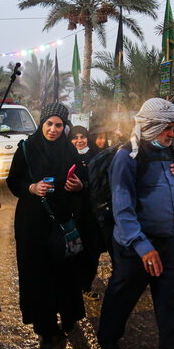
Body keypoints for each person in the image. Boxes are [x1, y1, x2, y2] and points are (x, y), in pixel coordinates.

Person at [98, 98, 174, 349]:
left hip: (167, 242)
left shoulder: (166, 151)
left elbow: (165, 189)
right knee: (122, 296)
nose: (172, 132)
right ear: (150, 125)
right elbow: (122, 208)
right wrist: (142, 246)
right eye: (166, 127)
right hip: (134, 245)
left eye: (173, 126)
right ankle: (108, 339)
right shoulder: (127, 157)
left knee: (171, 301)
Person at [6, 102, 86, 349]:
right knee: (37, 276)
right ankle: (45, 329)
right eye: (49, 124)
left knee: (65, 272)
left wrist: (79, 186)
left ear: (65, 127)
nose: (53, 129)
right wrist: (31, 187)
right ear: (42, 124)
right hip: (33, 224)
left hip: (62, 221)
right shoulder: (27, 148)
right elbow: (13, 181)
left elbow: (83, 181)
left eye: (59, 125)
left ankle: (68, 317)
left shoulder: (69, 150)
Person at [69, 125, 105, 301]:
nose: (79, 140)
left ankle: (86, 285)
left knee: (92, 250)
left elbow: (103, 183)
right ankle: (75, 284)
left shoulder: (97, 156)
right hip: (73, 213)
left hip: (92, 212)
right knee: (75, 250)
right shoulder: (67, 157)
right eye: (74, 138)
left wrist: (84, 185)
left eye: (82, 136)